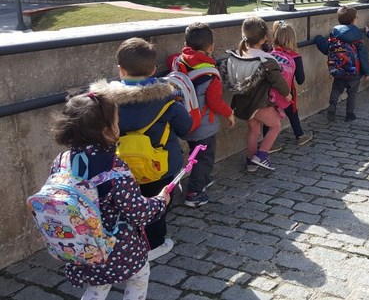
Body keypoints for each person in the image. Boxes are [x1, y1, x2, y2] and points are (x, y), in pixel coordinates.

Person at [50, 92, 169, 300]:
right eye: (116, 122)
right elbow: (137, 212)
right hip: (117, 247)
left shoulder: (62, 160)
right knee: (139, 277)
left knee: (98, 286)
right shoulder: (115, 169)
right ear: (108, 131)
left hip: (82, 245)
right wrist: (160, 201)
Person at [89, 37, 192, 261]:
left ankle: (130, 236)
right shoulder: (167, 100)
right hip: (160, 166)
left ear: (120, 69)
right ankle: (154, 245)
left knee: (127, 203)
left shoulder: (104, 102)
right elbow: (186, 128)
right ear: (154, 70)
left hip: (120, 166)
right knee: (158, 202)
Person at [173, 23, 235, 208]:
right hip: (203, 126)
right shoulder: (210, 74)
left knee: (195, 153)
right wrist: (229, 113)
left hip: (185, 120)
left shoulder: (179, 62)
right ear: (211, 47)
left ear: (186, 44)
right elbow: (215, 102)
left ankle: (204, 179)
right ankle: (194, 193)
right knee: (204, 158)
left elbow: (171, 61)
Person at [223, 16, 291, 172]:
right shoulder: (266, 59)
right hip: (260, 102)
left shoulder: (237, 54)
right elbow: (278, 81)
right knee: (275, 126)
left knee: (254, 131)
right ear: (263, 39)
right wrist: (287, 95)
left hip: (242, 103)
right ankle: (261, 155)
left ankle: (251, 162)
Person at [315, 6, 369, 122]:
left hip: (338, 70)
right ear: (353, 20)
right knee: (352, 93)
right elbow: (363, 55)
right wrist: (367, 72)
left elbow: (326, 49)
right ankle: (350, 114)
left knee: (336, 89)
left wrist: (318, 39)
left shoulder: (334, 33)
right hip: (354, 71)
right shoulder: (356, 35)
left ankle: (332, 105)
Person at [265, 20, 314, 147]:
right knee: (292, 113)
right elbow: (300, 80)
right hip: (286, 93)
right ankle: (300, 135)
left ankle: (268, 143)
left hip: (269, 91)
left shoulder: (269, 54)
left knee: (268, 115)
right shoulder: (295, 57)